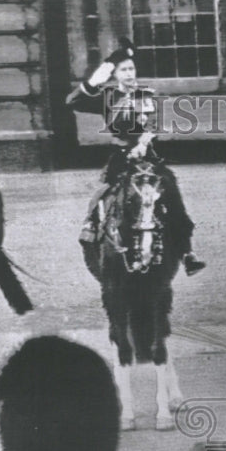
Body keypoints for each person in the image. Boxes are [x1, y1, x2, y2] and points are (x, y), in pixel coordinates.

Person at [69, 38, 205, 277]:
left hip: (149, 159)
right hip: (120, 159)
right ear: (115, 74)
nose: (130, 73)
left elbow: (153, 124)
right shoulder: (107, 96)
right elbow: (73, 101)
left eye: (132, 69)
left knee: (173, 196)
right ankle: (91, 236)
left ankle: (186, 253)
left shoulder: (146, 95)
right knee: (99, 197)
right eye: (124, 70)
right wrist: (99, 75)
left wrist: (143, 142)